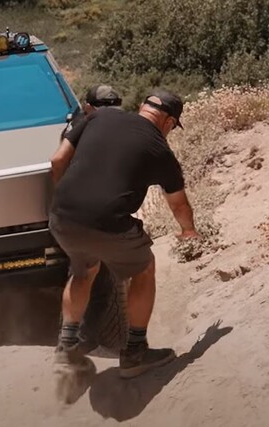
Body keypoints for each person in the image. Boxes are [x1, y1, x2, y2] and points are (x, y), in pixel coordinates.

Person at [48, 88, 200, 381]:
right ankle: (134, 352)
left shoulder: (97, 117)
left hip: (62, 216)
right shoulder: (160, 149)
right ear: (168, 122)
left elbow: (57, 161)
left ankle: (66, 348)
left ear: (143, 107)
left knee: (83, 270)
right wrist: (188, 231)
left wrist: (69, 199)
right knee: (145, 267)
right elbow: (178, 204)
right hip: (107, 221)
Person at [53, 84, 122, 183]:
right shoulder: (78, 127)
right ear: (88, 108)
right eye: (104, 112)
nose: (110, 116)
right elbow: (59, 160)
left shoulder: (118, 125)